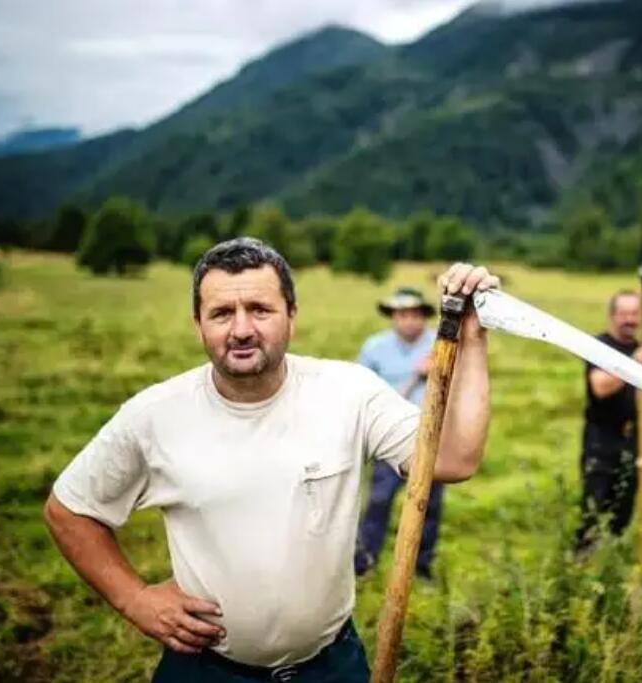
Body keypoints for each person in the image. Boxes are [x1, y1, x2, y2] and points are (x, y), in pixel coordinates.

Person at [43, 237, 500, 682]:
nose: (241, 329)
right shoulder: (155, 415)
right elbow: (69, 510)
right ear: (198, 324)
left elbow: (453, 459)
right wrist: (135, 598)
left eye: (260, 310)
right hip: (206, 670)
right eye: (221, 313)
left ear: (291, 317)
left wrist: (473, 339)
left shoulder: (348, 393)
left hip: (332, 665)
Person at [354, 287, 442, 580]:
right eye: (402, 315)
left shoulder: (440, 345)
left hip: (431, 435)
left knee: (429, 504)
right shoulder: (374, 347)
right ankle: (365, 563)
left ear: (424, 317)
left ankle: (421, 568)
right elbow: (360, 392)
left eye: (415, 315)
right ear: (393, 317)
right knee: (379, 500)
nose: (409, 321)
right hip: (388, 435)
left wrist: (437, 372)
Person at [575, 290, 642, 552]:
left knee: (623, 508)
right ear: (612, 316)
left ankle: (610, 562)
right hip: (601, 440)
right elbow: (600, 387)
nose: (630, 319)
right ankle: (581, 562)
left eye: (635, 313)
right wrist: (633, 365)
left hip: (631, 438)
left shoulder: (640, 347)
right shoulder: (600, 346)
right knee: (595, 507)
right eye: (624, 313)